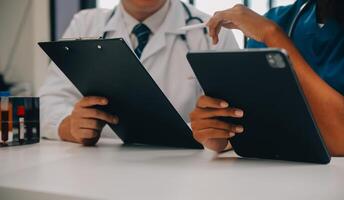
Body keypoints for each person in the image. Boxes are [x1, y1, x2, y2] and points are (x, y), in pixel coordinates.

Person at [39, 0, 238, 145]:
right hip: (100, 162)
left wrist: (213, 132)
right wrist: (69, 126)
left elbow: (239, 116)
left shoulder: (212, 30)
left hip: (187, 167)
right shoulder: (85, 23)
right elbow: (49, 100)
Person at [190, 0, 344, 156]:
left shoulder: (268, 29)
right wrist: (223, 133)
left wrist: (273, 36)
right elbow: (259, 124)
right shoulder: (279, 19)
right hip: (271, 175)